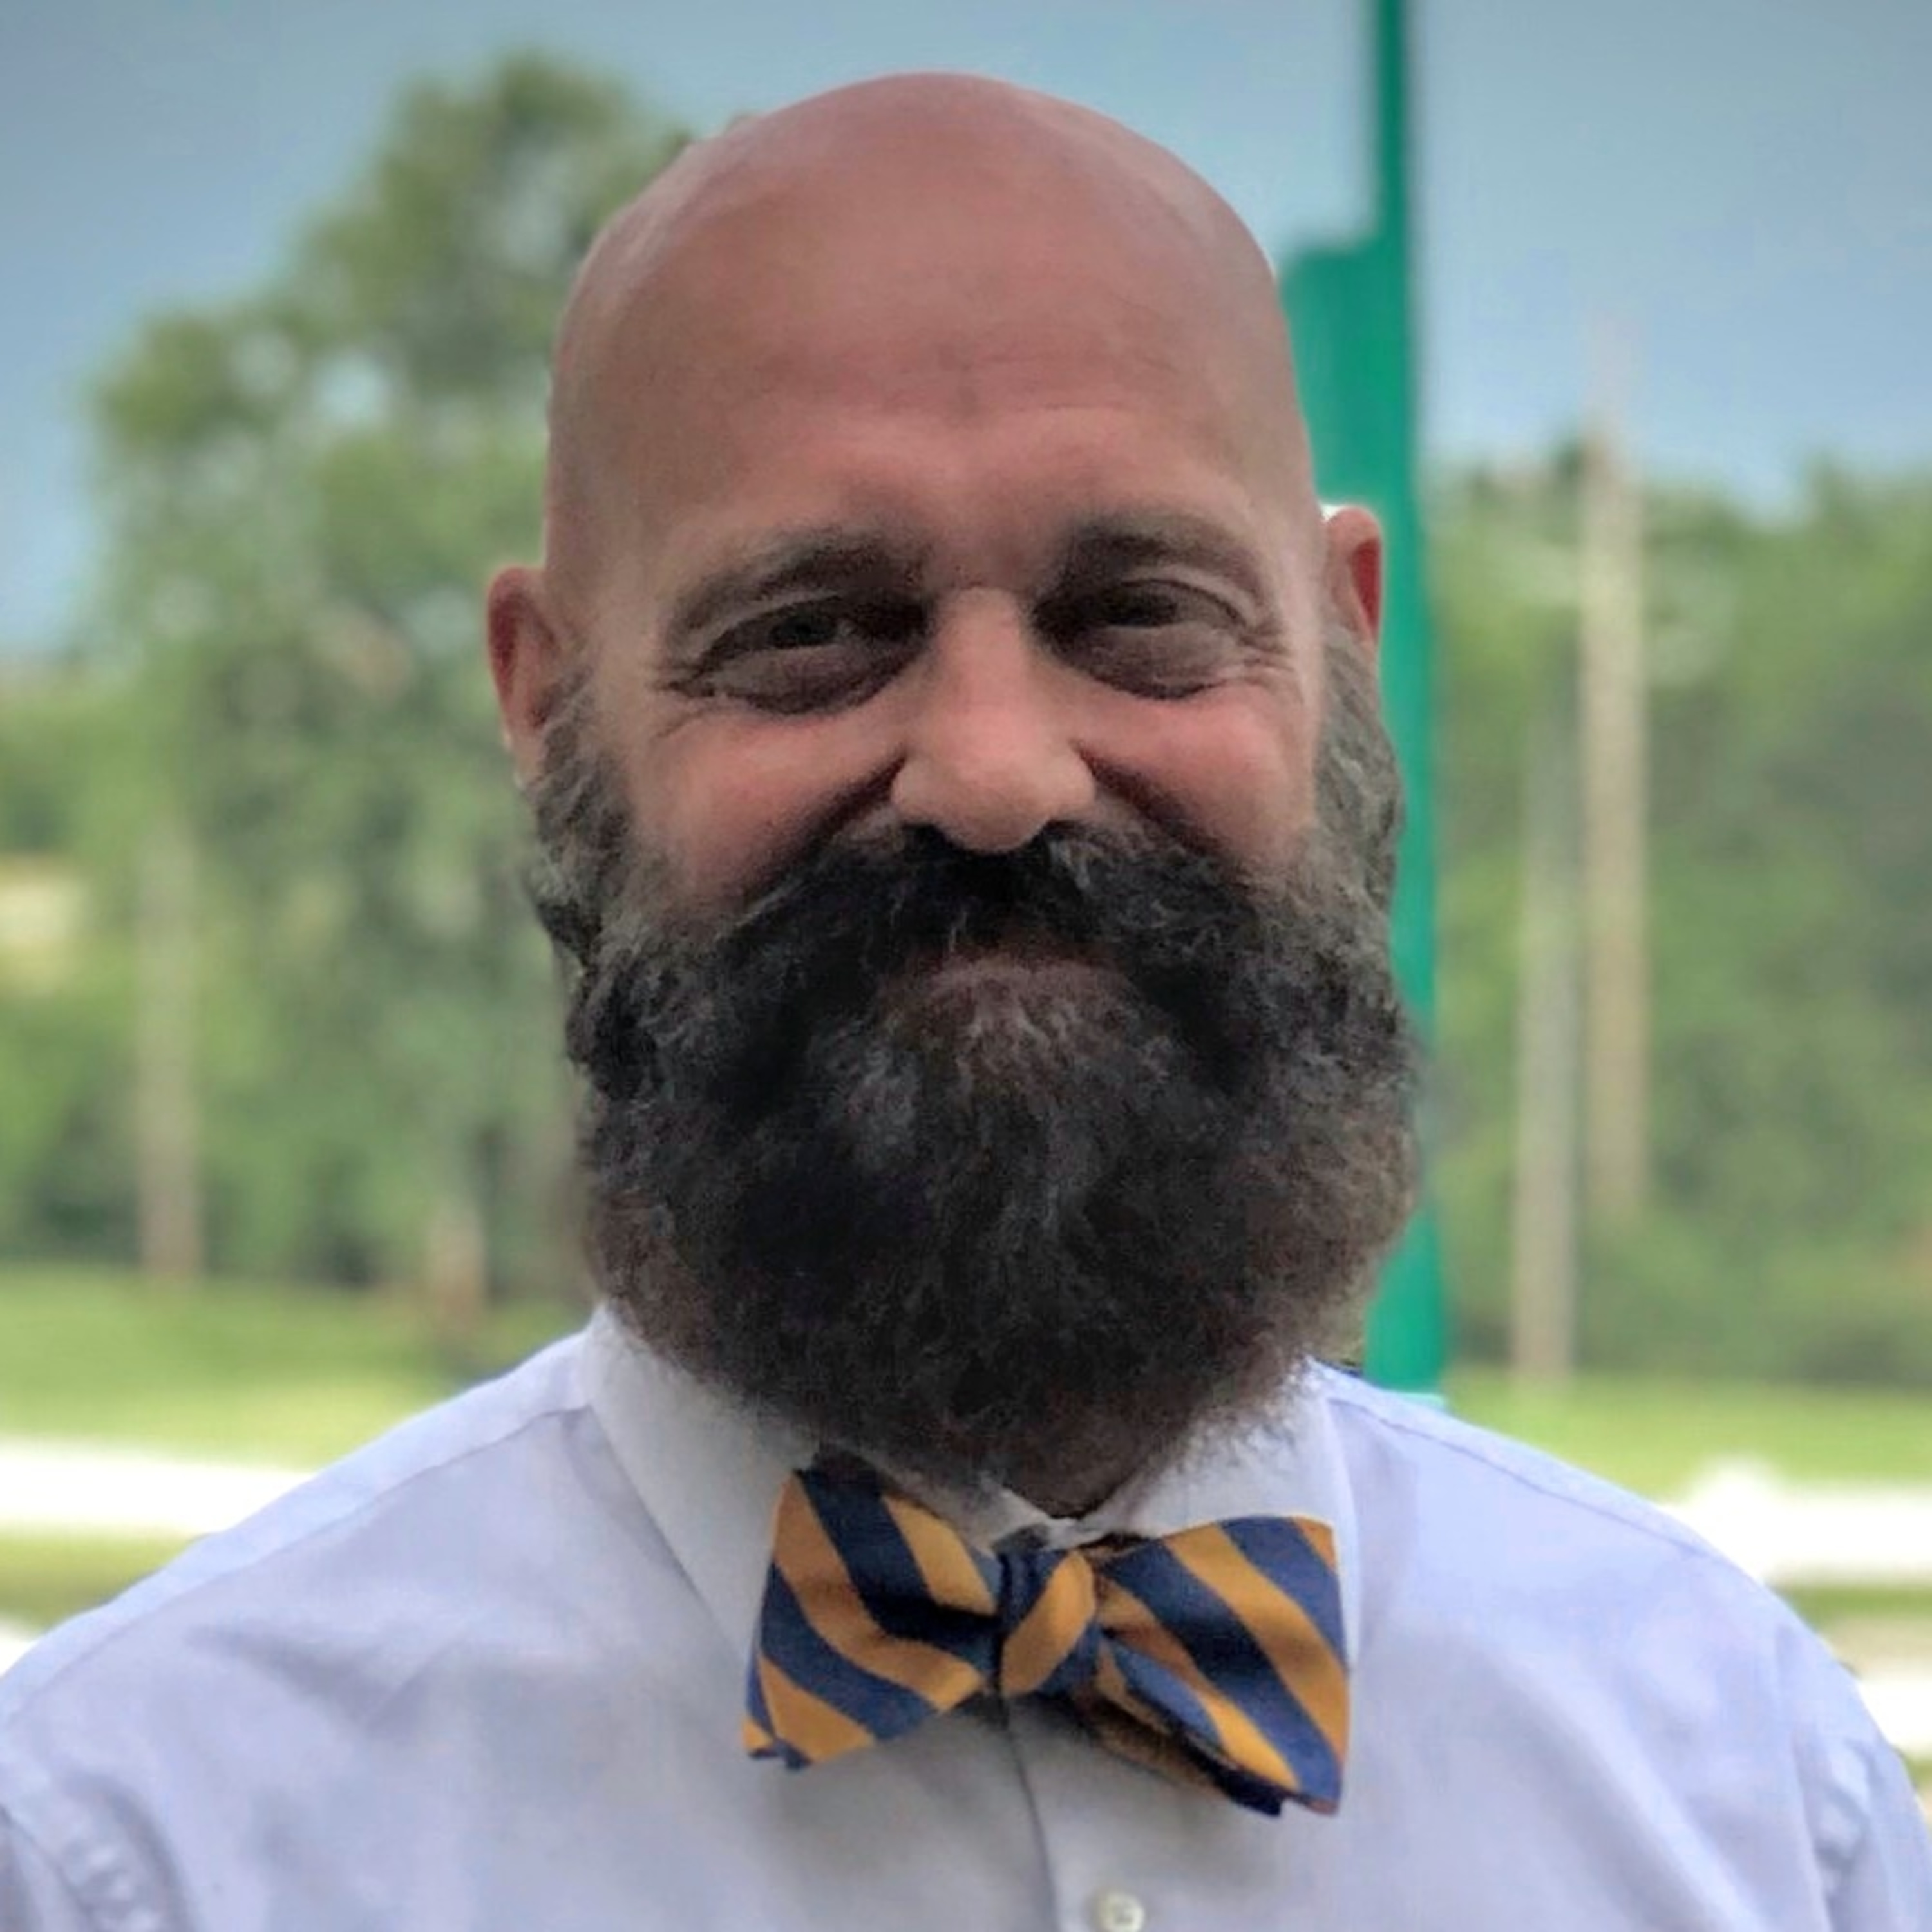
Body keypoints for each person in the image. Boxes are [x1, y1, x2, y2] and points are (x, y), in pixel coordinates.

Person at [1, 71, 1926, 1929]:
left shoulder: (1755, 1799)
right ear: (546, 703)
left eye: (1140, 615)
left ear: (1342, 649)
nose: (996, 774)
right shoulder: (128, 1855)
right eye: (814, 633)